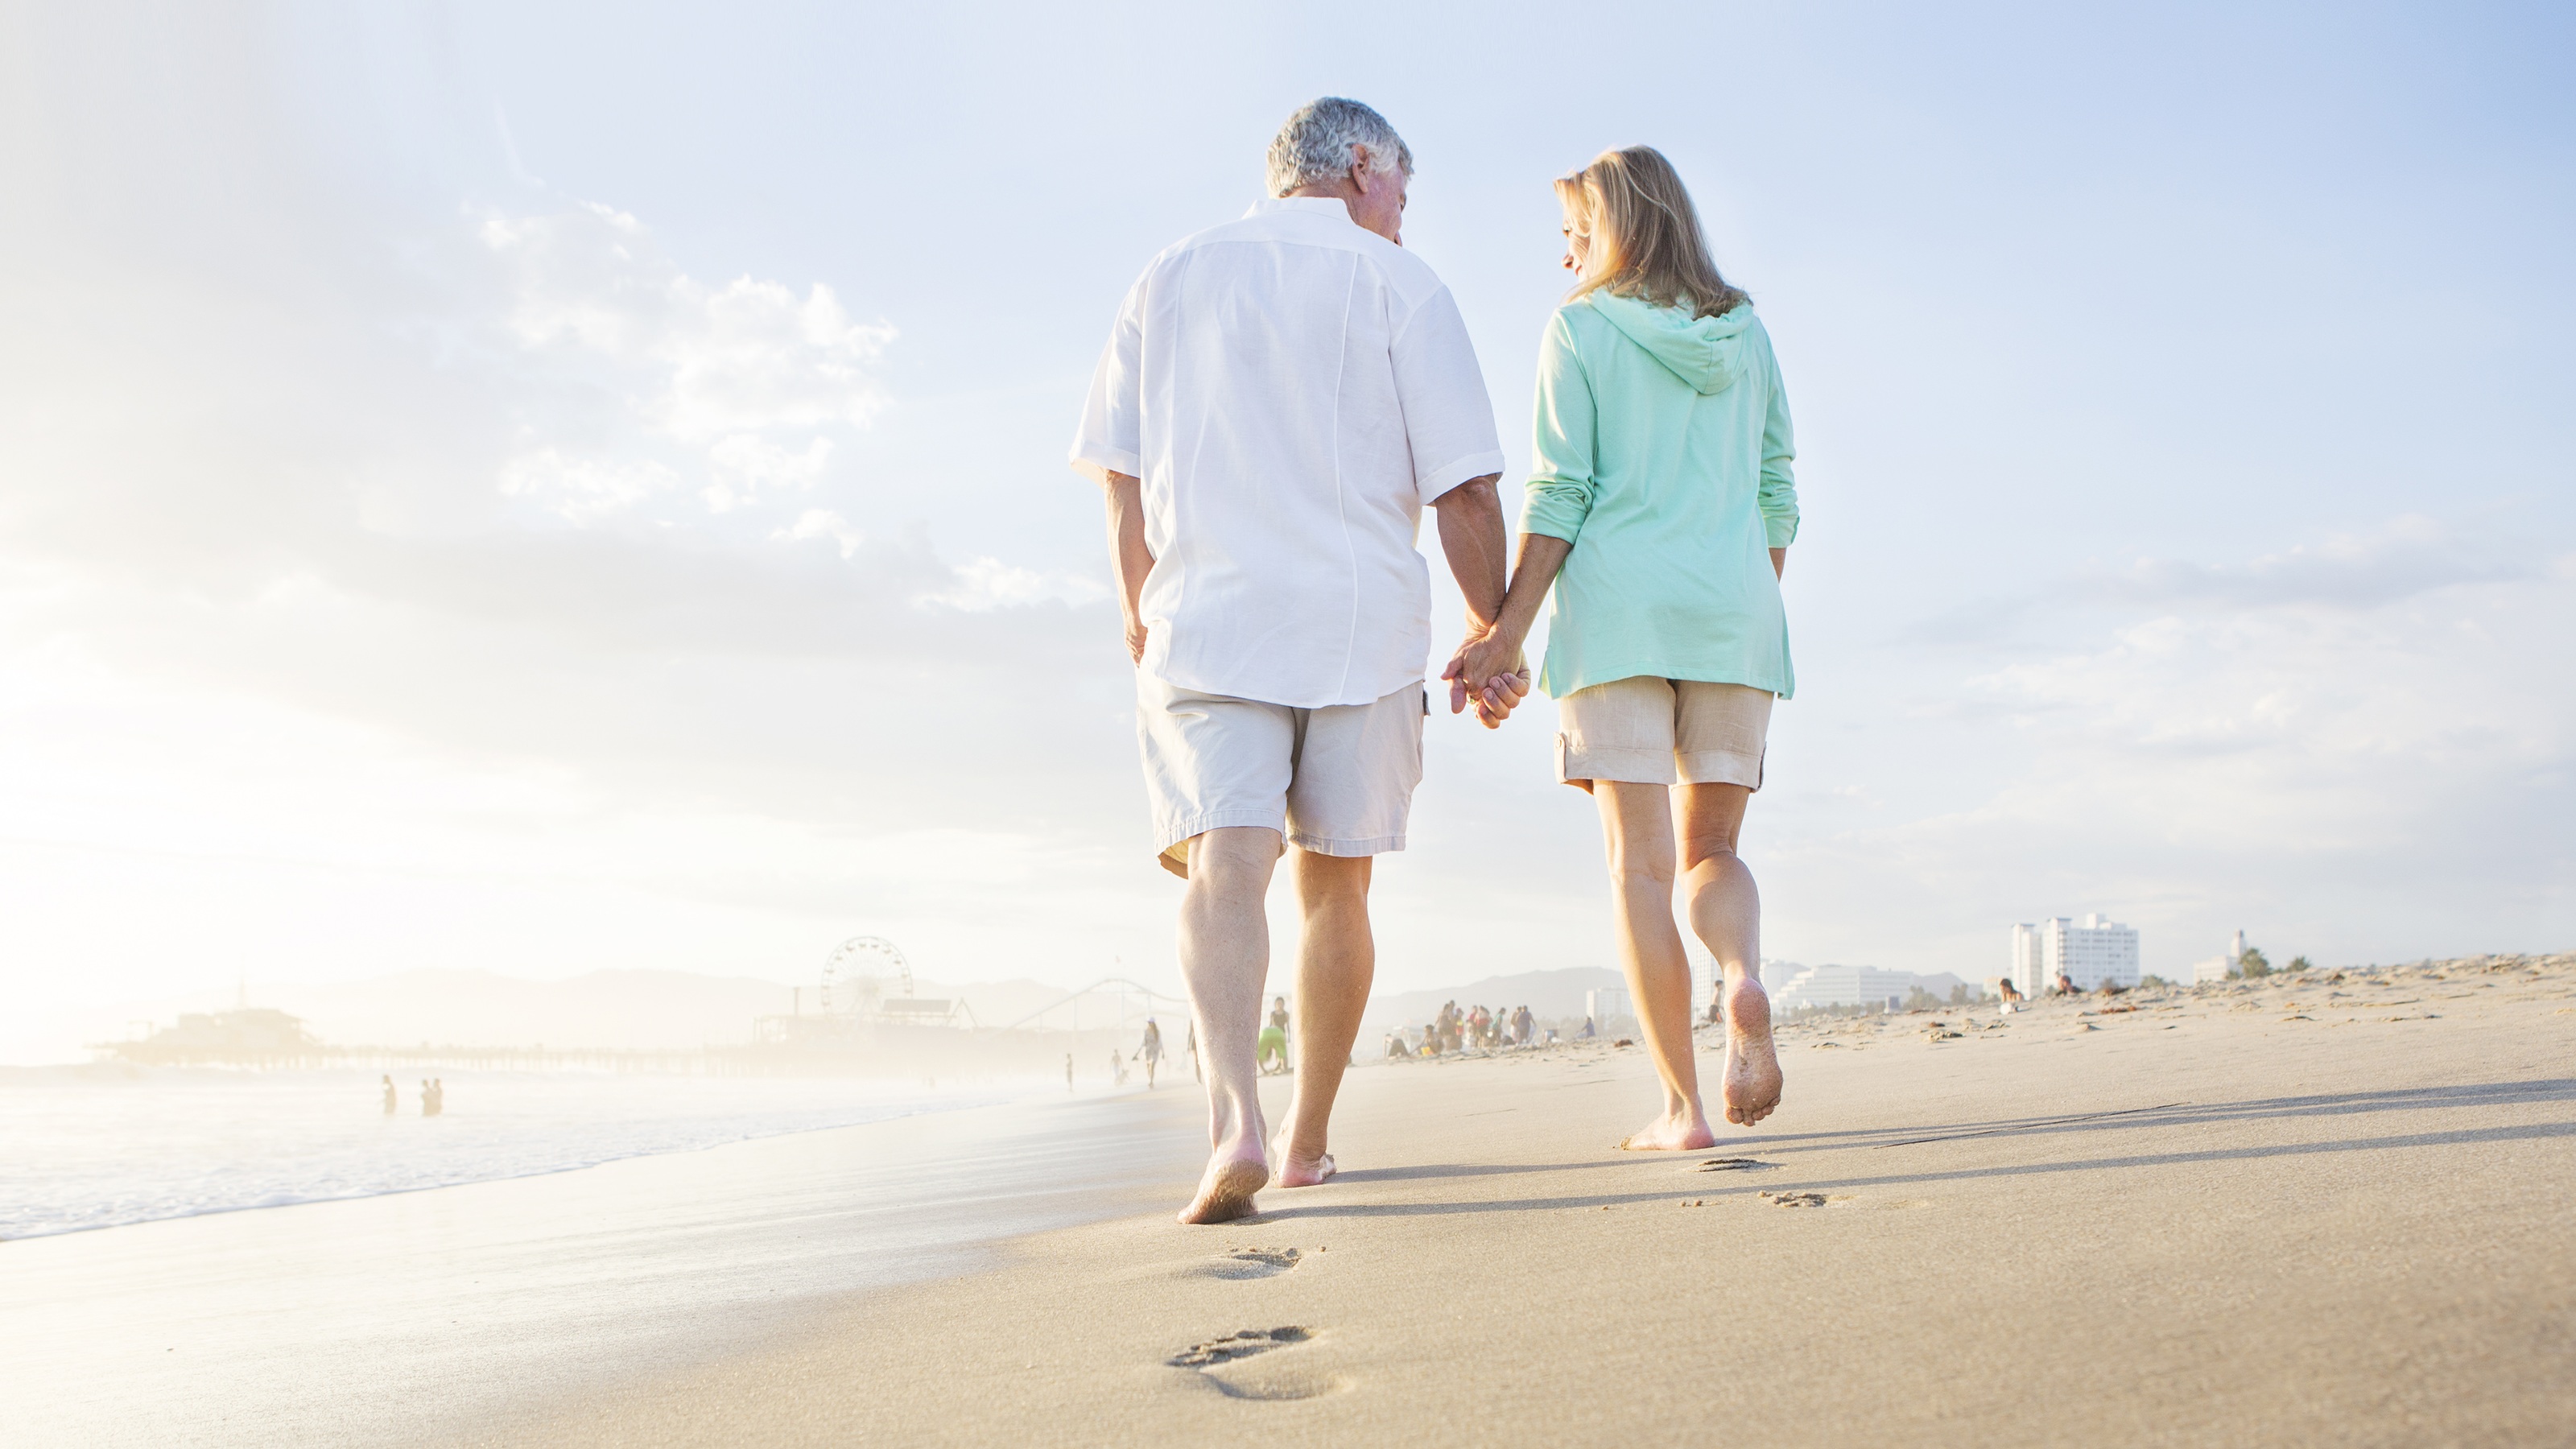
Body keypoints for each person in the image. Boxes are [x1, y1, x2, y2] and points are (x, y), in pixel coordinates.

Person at [1071, 98, 1517, 1224]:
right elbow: (1464, 483)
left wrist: (1137, 608)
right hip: (1359, 633)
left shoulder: (1167, 274)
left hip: (1207, 623)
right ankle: (1309, 1139)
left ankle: (1235, 1119)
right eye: (1401, 196)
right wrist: (1493, 630)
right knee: (1337, 884)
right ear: (1360, 166)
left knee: (1228, 865)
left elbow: (1121, 479)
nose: (1403, 221)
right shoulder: (1398, 284)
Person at [1450, 146, 1794, 1150]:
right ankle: (1741, 978)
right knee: (1713, 853)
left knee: (1637, 870)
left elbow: (1560, 492)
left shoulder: (1581, 329)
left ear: (1614, 231)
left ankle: (1683, 1113)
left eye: (1574, 237)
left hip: (1614, 623)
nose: (1566, 262)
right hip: (1734, 615)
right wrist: (1735, 597)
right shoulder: (1748, 333)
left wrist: (1503, 631)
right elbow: (1779, 491)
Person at [1257, 997, 1291, 1076]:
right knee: (1277, 1051)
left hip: (1281, 1033)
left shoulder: (1286, 1014)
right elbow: (1270, 1024)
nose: (1280, 1005)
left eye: (1281, 1003)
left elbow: (1288, 1026)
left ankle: (1282, 1066)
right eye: (1278, 1003)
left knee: (1281, 1051)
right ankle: (1279, 1066)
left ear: (1283, 1004)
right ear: (1275, 1004)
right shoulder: (1273, 1013)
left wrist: (1289, 1036)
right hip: (1273, 1031)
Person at [1137, 1018, 1165, 1089]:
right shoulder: (1145, 1032)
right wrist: (1137, 1053)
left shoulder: (1157, 1032)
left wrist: (1163, 1052)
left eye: (1150, 1023)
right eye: (1149, 1023)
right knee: (1148, 1068)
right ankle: (1150, 1079)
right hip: (1147, 1052)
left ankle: (1151, 1081)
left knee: (1152, 1067)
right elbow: (1142, 1043)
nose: (1149, 1024)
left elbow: (1160, 1043)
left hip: (1155, 1051)